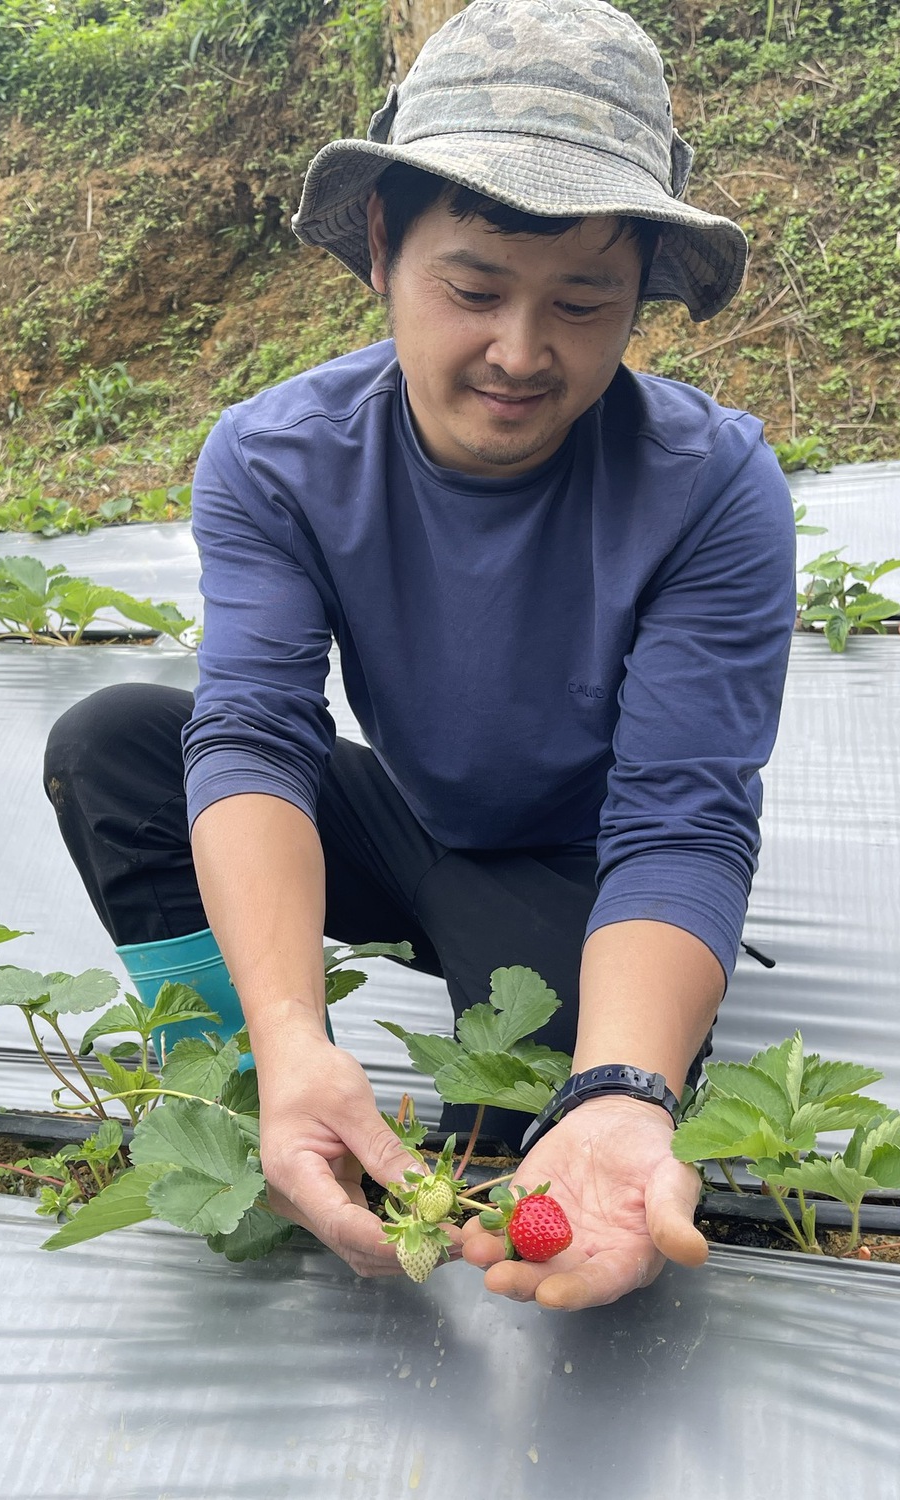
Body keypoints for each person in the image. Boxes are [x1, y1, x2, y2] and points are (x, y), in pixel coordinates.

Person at [43, 0, 795, 1310]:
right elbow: (258, 731)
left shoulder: (710, 487)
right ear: (386, 245)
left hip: (584, 862)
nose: (520, 352)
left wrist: (623, 1086)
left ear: (642, 297)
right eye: (474, 288)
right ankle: (247, 1100)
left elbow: (680, 817)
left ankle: (557, 1080)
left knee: (530, 1164)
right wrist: (289, 1035)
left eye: (583, 301)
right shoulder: (278, 458)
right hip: (411, 820)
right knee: (115, 748)